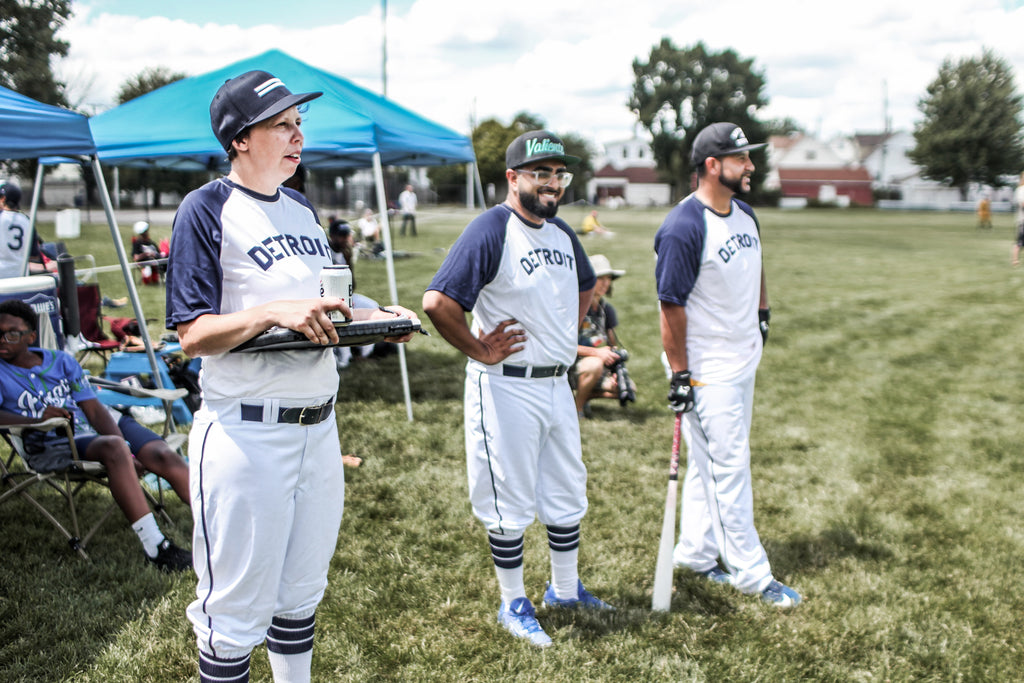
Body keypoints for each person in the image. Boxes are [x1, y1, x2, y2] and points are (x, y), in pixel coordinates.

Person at [165, 69, 418, 683]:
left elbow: (331, 303)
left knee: (300, 595)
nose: (296, 135)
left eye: (299, 124)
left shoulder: (302, 208)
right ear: (240, 139)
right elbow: (192, 335)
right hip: (246, 434)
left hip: (318, 428)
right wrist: (271, 312)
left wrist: (379, 316)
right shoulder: (206, 209)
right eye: (281, 125)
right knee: (234, 617)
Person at [423, 129, 612, 649]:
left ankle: (566, 591)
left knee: (567, 490)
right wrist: (479, 349)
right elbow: (438, 301)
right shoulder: (491, 228)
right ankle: (513, 601)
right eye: (541, 173)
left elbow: (587, 282)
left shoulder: (561, 233)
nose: (552, 183)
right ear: (513, 178)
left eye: (558, 174)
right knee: (507, 498)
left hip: (555, 382)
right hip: (504, 385)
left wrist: (563, 337)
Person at [654, 121, 801, 608]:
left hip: (741, 360)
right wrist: (679, 374)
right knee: (730, 467)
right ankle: (752, 573)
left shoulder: (745, 215)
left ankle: (696, 553)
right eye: (742, 158)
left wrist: (762, 314)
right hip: (704, 368)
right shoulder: (683, 227)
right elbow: (669, 305)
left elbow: (757, 267)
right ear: (713, 165)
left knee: (708, 466)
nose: (752, 165)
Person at [0, 299, 191, 570]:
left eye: (11, 333)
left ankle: (216, 529)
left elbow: (93, 408)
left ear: (31, 336)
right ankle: (157, 549)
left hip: (93, 426)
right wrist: (34, 418)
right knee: (113, 447)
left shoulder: (61, 361)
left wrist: (128, 447)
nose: (3, 340)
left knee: (161, 453)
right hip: (53, 440)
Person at [571, 254, 634, 418]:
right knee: (593, 365)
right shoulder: (575, 307)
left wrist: (614, 369)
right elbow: (564, 345)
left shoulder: (607, 310)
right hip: (569, 366)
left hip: (596, 364)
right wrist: (597, 353)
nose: (606, 283)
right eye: (600, 278)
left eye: (608, 278)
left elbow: (612, 344)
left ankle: (581, 397)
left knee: (625, 388)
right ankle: (576, 410)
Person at [0, 181, 49, 278]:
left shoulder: (1, 217)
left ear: (3, 199)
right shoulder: (26, 220)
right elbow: (34, 255)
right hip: (20, 274)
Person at [1013, 173, 1024, 266]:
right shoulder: (1021, 190)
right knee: (1020, 242)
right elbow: (1022, 204)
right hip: (1023, 220)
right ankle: (1015, 260)